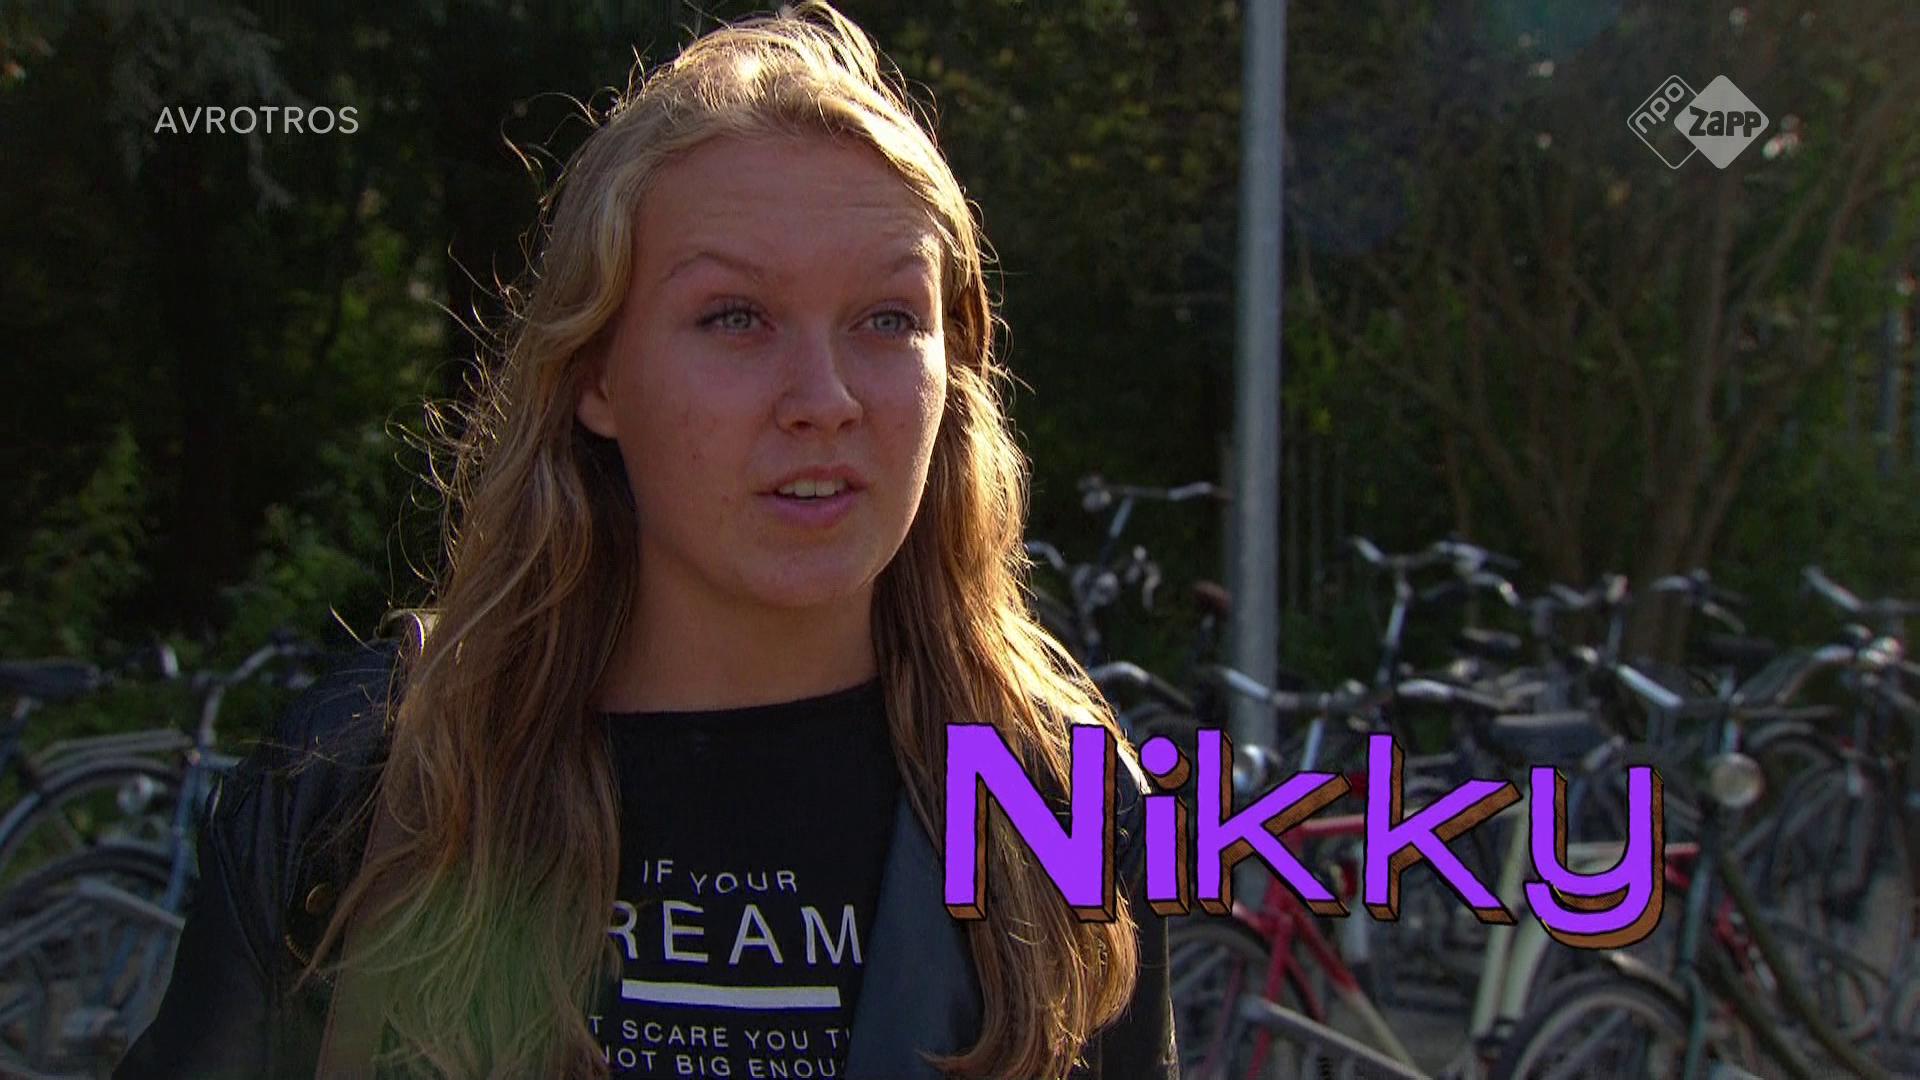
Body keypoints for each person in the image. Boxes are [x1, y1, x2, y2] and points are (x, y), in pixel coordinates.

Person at [115, 4, 1176, 1078]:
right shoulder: (368, 782)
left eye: (889, 319)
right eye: (735, 317)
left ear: (956, 373)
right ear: (595, 375)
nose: (825, 400)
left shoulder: (1065, 809)